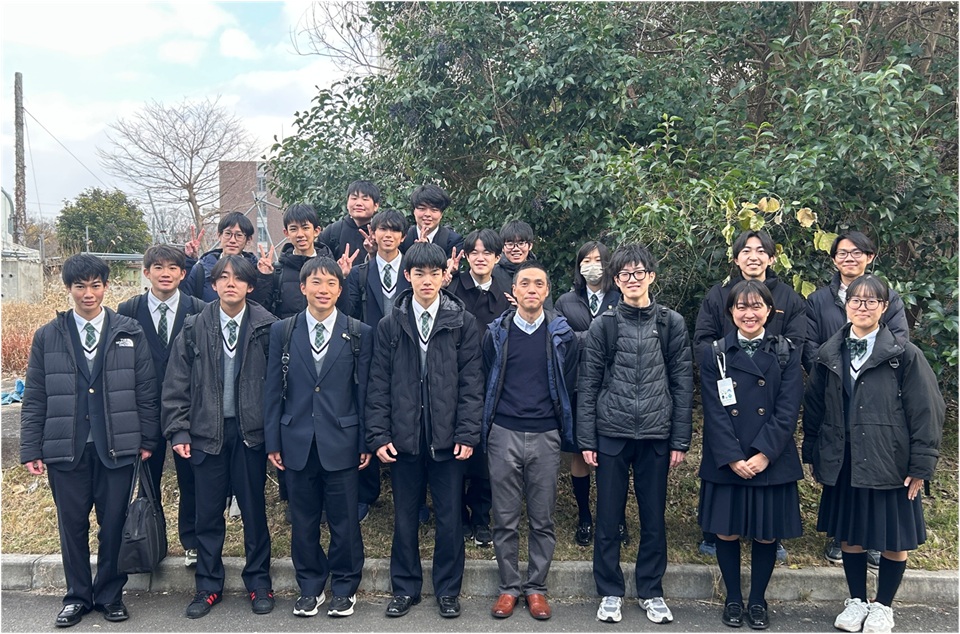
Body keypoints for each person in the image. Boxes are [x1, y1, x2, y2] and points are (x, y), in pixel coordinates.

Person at [20, 254, 159, 628]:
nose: (88, 293)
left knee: (113, 524)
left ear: (106, 287)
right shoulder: (48, 335)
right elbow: (35, 395)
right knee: (72, 525)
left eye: (95, 285)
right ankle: (77, 597)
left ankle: (111, 595)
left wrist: (148, 437)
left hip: (118, 446)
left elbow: (146, 389)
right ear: (69, 289)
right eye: (80, 286)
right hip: (66, 448)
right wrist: (31, 447)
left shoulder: (129, 331)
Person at [803, 274, 944, 634]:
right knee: (850, 534)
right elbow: (815, 408)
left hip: (889, 459)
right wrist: (814, 453)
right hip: (844, 459)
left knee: (893, 538)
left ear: (884, 307)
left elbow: (926, 410)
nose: (862, 307)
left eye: (871, 301)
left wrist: (921, 464)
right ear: (845, 305)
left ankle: (883, 606)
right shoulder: (828, 353)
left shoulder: (903, 355)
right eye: (855, 300)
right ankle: (856, 601)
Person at [365, 242, 483, 619]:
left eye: (435, 273)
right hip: (405, 438)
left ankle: (448, 590)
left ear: (445, 276)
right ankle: (405, 588)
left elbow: (472, 383)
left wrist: (467, 433)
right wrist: (379, 435)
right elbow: (378, 383)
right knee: (405, 517)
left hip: (448, 439)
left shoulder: (463, 322)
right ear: (408, 276)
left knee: (449, 518)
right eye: (419, 273)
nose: (427, 280)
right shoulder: (391, 324)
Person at [577, 243, 693, 625]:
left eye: (639, 272)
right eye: (624, 274)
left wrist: (680, 439)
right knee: (608, 517)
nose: (632, 279)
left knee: (653, 519)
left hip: (656, 434)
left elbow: (682, 383)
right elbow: (588, 384)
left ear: (651, 276)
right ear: (616, 280)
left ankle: (651, 590)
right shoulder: (604, 325)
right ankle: (610, 591)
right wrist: (587, 439)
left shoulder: (671, 323)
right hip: (612, 432)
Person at [162, 255, 277, 619]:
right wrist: (179, 429)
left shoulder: (267, 327)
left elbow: (279, 386)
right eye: (223, 278)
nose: (231, 283)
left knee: (254, 511)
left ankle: (259, 581)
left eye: (238, 278)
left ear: (250, 286)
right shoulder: (194, 326)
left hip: (250, 433)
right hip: (205, 432)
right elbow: (176, 383)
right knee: (208, 514)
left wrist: (274, 435)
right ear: (212, 285)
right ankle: (208, 585)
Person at [263, 257, 374, 618]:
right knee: (304, 520)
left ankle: (344, 586)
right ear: (303, 287)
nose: (323, 290)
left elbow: (364, 393)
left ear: (340, 290)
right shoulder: (283, 330)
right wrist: (273, 441)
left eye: (330, 283)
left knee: (344, 520)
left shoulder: (358, 332)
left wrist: (365, 442)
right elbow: (272, 389)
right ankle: (310, 586)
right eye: (316, 282)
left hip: (342, 440)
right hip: (295, 439)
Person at [698, 280, 804, 630]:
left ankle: (757, 599)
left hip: (770, 458)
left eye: (757, 306)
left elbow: (788, 408)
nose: (749, 313)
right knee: (726, 532)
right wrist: (732, 456)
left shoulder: (785, 351)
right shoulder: (715, 353)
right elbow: (713, 410)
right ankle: (732, 598)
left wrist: (764, 454)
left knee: (766, 534)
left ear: (769, 311)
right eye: (741, 307)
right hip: (728, 457)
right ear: (730, 312)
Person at [693, 229, 805, 561]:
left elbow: (798, 342)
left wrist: (774, 358)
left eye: (760, 250)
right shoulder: (718, 294)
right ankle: (716, 531)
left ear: (771, 257)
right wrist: (721, 359)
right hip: (727, 384)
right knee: (727, 468)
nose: (753, 256)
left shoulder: (789, 297)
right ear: (736, 257)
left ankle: (771, 535)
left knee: (766, 485)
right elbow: (702, 340)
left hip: (772, 389)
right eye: (746, 250)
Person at [804, 230, 910, 567]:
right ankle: (841, 535)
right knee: (841, 462)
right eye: (842, 253)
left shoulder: (887, 296)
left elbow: (899, 340)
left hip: (877, 393)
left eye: (856, 252)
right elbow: (809, 345)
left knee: (874, 466)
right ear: (834, 259)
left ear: (870, 257)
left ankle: (875, 540)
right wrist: (830, 367)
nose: (849, 258)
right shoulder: (819, 300)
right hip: (834, 387)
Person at [482, 261, 578, 620]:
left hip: (545, 435)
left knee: (542, 518)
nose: (532, 289)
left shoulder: (562, 335)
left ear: (547, 291)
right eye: (525, 283)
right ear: (515, 291)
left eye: (539, 283)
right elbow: (487, 375)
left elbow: (569, 380)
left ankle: (536, 588)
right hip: (503, 432)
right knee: (504, 518)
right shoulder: (496, 333)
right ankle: (509, 588)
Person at [253, 203, 357, 519]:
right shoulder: (279, 269)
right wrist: (265, 279)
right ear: (286, 233)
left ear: (317, 230)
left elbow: (347, 312)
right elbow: (264, 312)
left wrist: (344, 278)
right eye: (294, 229)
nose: (300, 234)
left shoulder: (332, 265)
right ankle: (295, 501)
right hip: (292, 352)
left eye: (306, 227)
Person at [117, 245, 205, 568]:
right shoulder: (128, 309)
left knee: (190, 478)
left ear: (183, 273)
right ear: (146, 272)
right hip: (144, 409)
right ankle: (152, 541)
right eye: (158, 267)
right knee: (147, 479)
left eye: (172, 268)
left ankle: (192, 542)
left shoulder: (198, 309)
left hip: (188, 409)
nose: (165, 273)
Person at [446, 228, 513, 547]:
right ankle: (458, 514)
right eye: (474, 252)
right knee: (457, 448)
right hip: (455, 381)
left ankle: (481, 516)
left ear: (497, 258)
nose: (480, 258)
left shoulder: (508, 291)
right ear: (466, 257)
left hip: (495, 384)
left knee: (487, 453)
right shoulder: (452, 287)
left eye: (487, 252)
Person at [554, 240, 623, 548]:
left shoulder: (621, 297)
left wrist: (584, 338)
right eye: (586, 260)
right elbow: (561, 338)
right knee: (580, 452)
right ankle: (584, 516)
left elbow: (625, 339)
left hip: (616, 387)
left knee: (613, 456)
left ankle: (616, 518)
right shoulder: (566, 301)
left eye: (598, 259)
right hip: (578, 386)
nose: (592, 265)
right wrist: (597, 337)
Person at [345, 208, 412, 522]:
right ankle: (366, 492)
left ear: (403, 236)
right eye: (382, 229)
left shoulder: (414, 271)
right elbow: (349, 314)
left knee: (408, 417)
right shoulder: (359, 273)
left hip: (408, 354)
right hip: (368, 355)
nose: (388, 235)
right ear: (373, 233)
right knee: (366, 415)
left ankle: (411, 495)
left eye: (394, 230)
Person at [180, 211, 270, 306]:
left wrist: (264, 277)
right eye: (228, 233)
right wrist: (188, 260)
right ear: (219, 235)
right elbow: (182, 299)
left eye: (239, 235)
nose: (232, 240)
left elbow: (261, 306)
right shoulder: (201, 270)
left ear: (248, 239)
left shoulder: (255, 271)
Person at [491, 219, 553, 310]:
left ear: (530, 245)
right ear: (503, 247)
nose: (516, 249)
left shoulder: (539, 274)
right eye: (510, 243)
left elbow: (548, 311)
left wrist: (522, 309)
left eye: (521, 243)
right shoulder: (492, 273)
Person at [319, 180, 382, 260]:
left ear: (376, 206)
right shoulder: (332, 231)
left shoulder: (381, 232)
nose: (359, 203)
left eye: (365, 199)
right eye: (354, 198)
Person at [399, 184, 464, 255]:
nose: (427, 214)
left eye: (434, 210)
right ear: (414, 211)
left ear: (441, 214)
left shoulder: (453, 241)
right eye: (422, 208)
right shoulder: (402, 238)